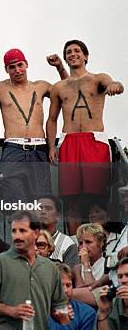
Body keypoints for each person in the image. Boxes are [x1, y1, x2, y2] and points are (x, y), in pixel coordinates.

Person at [46, 39, 124, 235]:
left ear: (85, 56)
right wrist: (51, 147)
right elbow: (52, 119)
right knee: (71, 199)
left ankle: (100, 240)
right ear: (65, 57)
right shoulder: (59, 87)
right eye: (69, 51)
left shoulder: (97, 78)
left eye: (77, 51)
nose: (73, 54)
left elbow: (115, 84)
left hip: (94, 141)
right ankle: (74, 243)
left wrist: (116, 85)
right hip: (69, 141)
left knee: (97, 197)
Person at [0, 49, 67, 203]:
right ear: (6, 69)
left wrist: (60, 67)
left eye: (20, 65)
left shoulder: (41, 86)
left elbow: (67, 91)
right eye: (12, 67)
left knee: (41, 198)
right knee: (13, 197)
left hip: (38, 147)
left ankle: (39, 227)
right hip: (13, 147)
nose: (17, 70)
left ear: (26, 64)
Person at [0, 211, 68, 330]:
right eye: (14, 231)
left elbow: (60, 307)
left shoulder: (50, 268)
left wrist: (62, 315)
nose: (17, 236)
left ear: (36, 233)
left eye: (22, 231)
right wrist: (9, 310)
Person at [47, 263, 96, 330]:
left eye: (68, 285)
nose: (65, 290)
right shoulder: (39, 311)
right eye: (60, 285)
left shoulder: (86, 312)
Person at [36, 196, 78, 267]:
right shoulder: (27, 240)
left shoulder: (68, 244)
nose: (42, 212)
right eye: (39, 208)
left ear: (57, 216)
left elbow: (70, 275)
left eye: (48, 208)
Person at [96, 256, 128, 330]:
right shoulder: (112, 303)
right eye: (120, 276)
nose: (123, 280)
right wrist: (103, 312)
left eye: (127, 275)